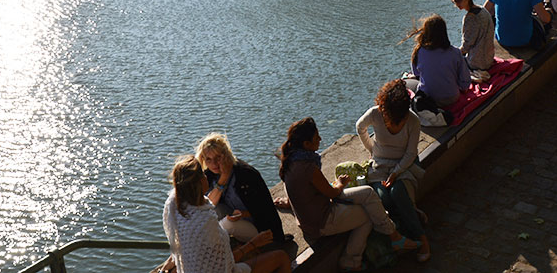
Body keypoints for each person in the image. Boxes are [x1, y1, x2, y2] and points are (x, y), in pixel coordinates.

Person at [279, 117, 418, 272]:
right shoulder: (308, 168)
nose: (320, 139)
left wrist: (288, 202)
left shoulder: (290, 161)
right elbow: (332, 193)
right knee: (368, 215)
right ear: (306, 144)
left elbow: (300, 190)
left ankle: (394, 236)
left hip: (316, 211)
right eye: (316, 138)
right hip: (321, 222)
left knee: (367, 193)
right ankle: (351, 261)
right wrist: (340, 183)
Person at [161, 155, 290, 273]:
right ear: (200, 182)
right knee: (281, 257)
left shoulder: (174, 205)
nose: (206, 176)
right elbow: (225, 265)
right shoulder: (204, 220)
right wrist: (254, 243)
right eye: (203, 174)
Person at [355, 79, 431, 262]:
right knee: (384, 198)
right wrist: (373, 150)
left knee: (398, 192)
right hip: (380, 166)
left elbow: (411, 153)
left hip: (404, 164)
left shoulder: (412, 120)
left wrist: (396, 172)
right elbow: (360, 127)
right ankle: (406, 230)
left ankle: (422, 239)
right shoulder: (375, 114)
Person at [196, 133, 285, 244]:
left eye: (218, 158)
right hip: (236, 219)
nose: (213, 164)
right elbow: (209, 204)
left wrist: (243, 214)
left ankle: (209, 245)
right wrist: (223, 177)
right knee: (212, 210)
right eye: (208, 159)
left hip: (260, 227)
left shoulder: (245, 174)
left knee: (228, 224)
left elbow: (264, 209)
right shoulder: (210, 174)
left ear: (226, 155)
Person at [408, 14, 471, 106]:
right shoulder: (456, 52)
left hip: (428, 98)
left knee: (410, 83)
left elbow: (417, 74)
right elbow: (465, 82)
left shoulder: (418, 52)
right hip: (452, 97)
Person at [447, 0, 494, 79]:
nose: (457, 4)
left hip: (477, 63)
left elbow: (466, 46)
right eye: (454, 1)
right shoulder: (483, 10)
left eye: (459, 1)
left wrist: (451, 54)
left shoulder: (470, 18)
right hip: (489, 59)